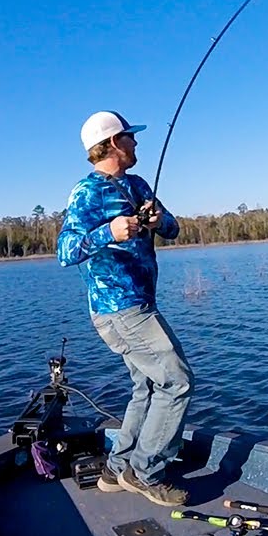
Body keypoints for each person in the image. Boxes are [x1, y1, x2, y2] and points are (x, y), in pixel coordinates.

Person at [56, 110, 193, 507]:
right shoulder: (87, 192)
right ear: (114, 143)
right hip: (121, 310)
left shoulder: (136, 184)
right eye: (130, 137)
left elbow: (172, 229)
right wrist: (109, 231)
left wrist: (156, 219)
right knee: (177, 381)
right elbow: (65, 252)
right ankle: (146, 471)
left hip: (139, 303)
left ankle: (117, 470)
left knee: (147, 386)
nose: (136, 143)